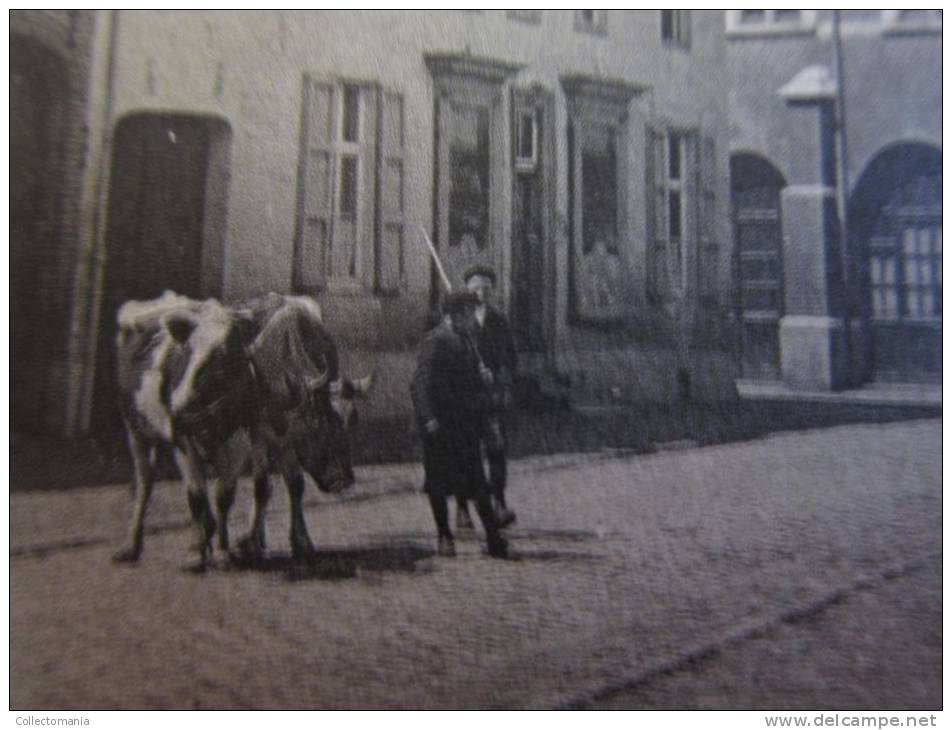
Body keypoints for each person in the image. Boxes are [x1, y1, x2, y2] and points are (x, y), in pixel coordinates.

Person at [410, 291, 508, 559]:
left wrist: (484, 379)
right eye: (469, 314)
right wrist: (428, 418)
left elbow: (471, 384)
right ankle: (444, 535)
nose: (474, 320)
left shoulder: (468, 341)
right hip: (440, 425)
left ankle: (492, 537)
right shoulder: (435, 341)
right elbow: (419, 384)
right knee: (438, 484)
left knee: (478, 482)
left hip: (466, 424)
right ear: (456, 315)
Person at [455, 265, 518, 531]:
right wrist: (470, 369)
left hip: (491, 399)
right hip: (465, 399)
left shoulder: (499, 320)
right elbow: (449, 359)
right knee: (465, 453)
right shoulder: (458, 321)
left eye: (484, 288)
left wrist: (498, 374)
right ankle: (462, 509)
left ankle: (499, 502)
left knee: (496, 450)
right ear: (467, 290)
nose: (480, 293)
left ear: (491, 290)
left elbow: (510, 358)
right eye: (474, 288)